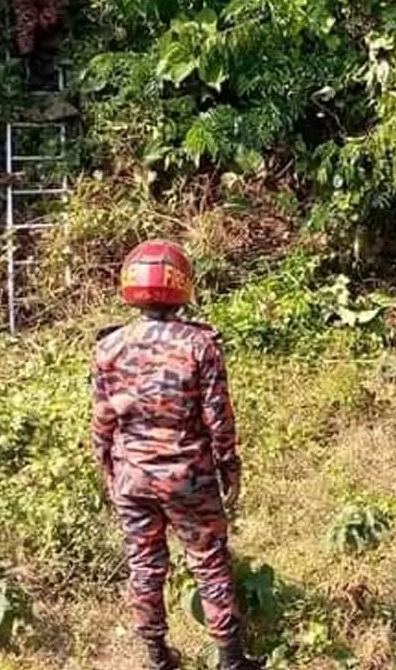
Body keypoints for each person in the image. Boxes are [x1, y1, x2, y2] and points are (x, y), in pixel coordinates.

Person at [91, 240, 264, 670]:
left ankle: (157, 657)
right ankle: (230, 658)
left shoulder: (108, 347)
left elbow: (102, 420)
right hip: (188, 476)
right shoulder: (200, 345)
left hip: (133, 477)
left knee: (144, 565)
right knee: (209, 561)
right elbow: (218, 418)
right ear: (182, 283)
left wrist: (107, 468)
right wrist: (229, 466)